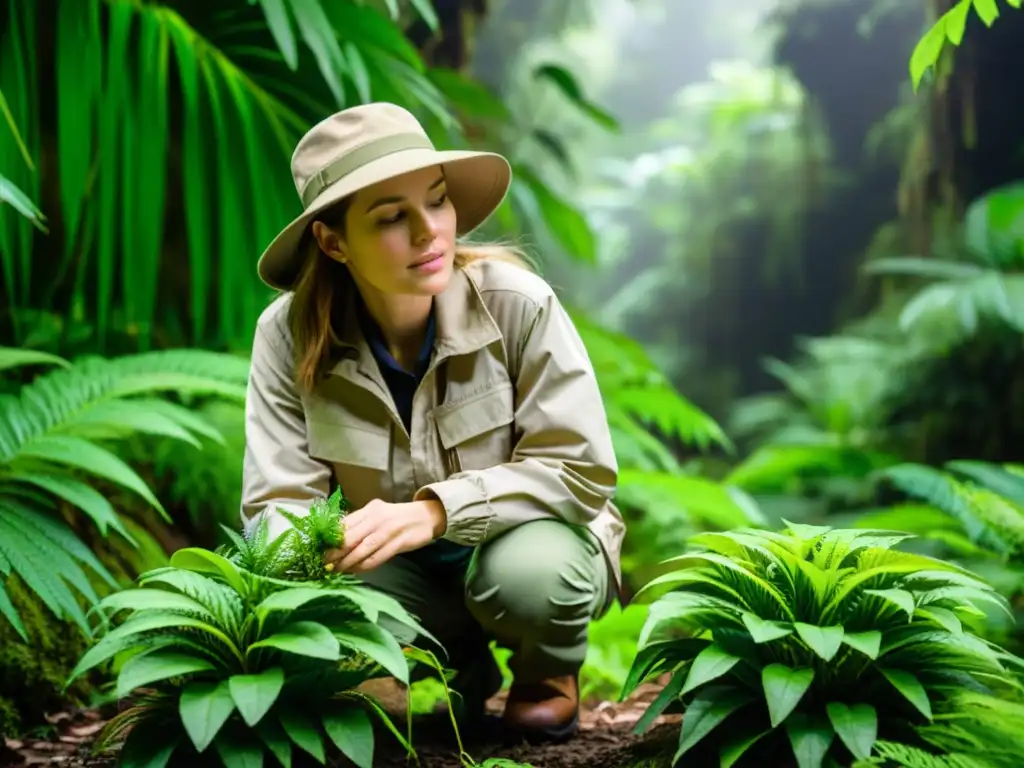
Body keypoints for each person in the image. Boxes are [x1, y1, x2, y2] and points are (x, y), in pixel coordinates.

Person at [240, 102, 625, 743]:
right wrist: (313, 563)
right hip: (399, 574)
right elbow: (276, 505)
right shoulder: (286, 336)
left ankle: (547, 673)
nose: (430, 232)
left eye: (437, 201)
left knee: (530, 581)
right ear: (333, 242)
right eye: (393, 217)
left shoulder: (518, 304)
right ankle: (459, 674)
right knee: (326, 627)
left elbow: (579, 469)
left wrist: (435, 512)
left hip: (525, 550)